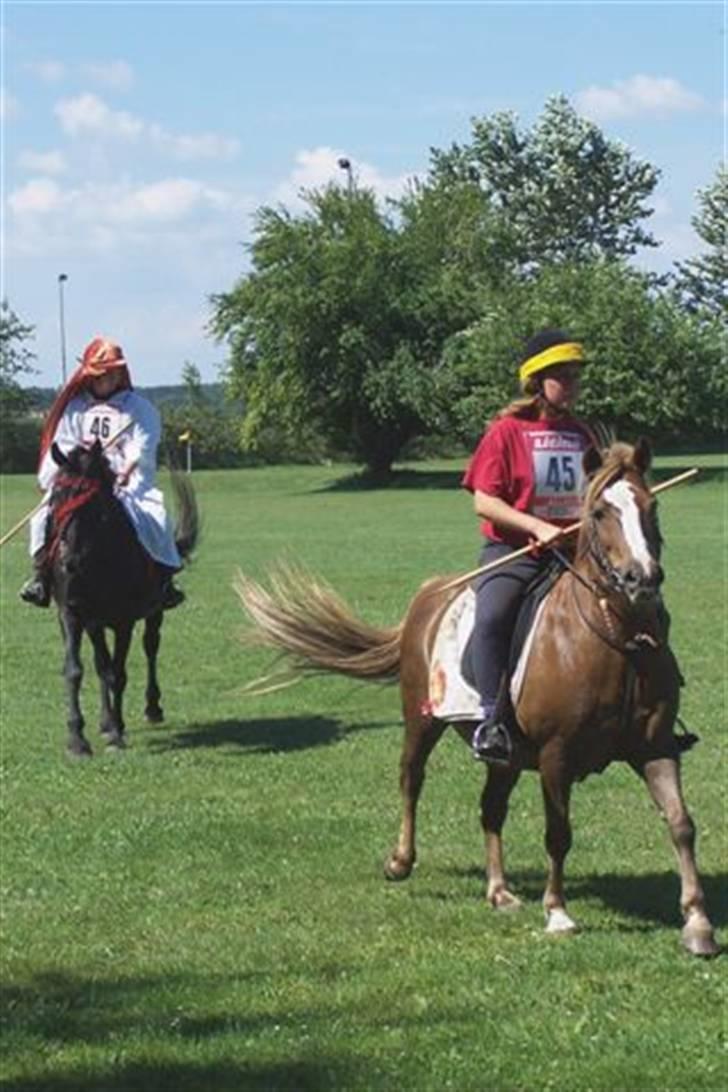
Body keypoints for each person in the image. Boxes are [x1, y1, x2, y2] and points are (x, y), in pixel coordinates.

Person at [462, 328, 596, 765]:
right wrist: (535, 527)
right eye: (564, 377)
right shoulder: (505, 432)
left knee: (640, 603)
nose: (573, 385)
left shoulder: (582, 434)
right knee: (493, 615)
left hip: (574, 553)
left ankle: (650, 711)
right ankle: (490, 719)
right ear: (538, 381)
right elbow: (484, 500)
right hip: (516, 553)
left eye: (577, 377)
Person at [19, 336, 185, 610]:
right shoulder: (76, 408)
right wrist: (74, 470)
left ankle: (164, 580)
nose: (110, 377)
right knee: (40, 518)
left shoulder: (138, 408)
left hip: (123, 481)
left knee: (157, 516)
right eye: (104, 372)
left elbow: (142, 446)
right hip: (82, 479)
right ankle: (41, 576)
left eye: (115, 371)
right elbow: (64, 442)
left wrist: (127, 467)